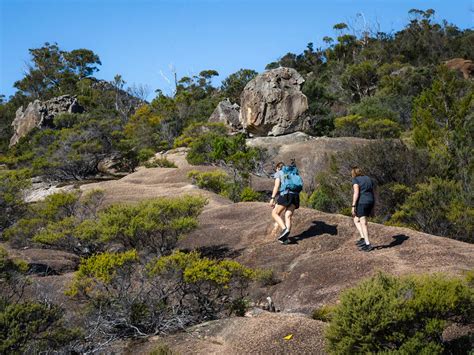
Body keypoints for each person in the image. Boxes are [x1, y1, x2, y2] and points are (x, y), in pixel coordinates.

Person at [270, 162, 301, 244]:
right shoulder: (292, 173)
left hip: (286, 194)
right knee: (288, 215)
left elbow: (276, 186)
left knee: (274, 213)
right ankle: (284, 238)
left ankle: (284, 229)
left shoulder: (279, 172)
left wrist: (272, 198)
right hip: (295, 196)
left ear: (277, 168)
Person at [351, 166, 376, 252]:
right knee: (356, 219)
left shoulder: (355, 180)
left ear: (354, 173)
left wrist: (353, 206)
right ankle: (363, 237)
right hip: (370, 201)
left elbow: (356, 193)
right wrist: (373, 208)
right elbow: (373, 192)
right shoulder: (368, 179)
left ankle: (368, 244)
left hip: (362, 202)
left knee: (363, 222)